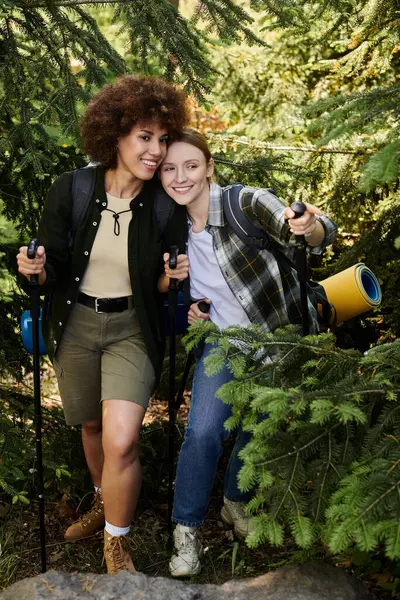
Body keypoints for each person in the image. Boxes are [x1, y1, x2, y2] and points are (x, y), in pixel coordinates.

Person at [16, 75, 189, 574]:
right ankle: (101, 499)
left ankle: (117, 541)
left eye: (162, 139)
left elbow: (161, 283)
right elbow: (50, 265)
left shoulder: (163, 203)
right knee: (91, 424)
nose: (155, 151)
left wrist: (168, 279)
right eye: (144, 137)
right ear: (114, 134)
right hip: (76, 324)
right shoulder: (72, 188)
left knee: (122, 438)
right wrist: (36, 268)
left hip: (132, 329)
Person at [157, 129, 337, 577]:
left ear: (209, 166)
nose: (180, 178)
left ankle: (235, 504)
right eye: (169, 168)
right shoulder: (168, 227)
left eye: (191, 166)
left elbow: (314, 232)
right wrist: (188, 310)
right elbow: (167, 298)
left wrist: (309, 225)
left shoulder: (245, 203)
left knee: (256, 427)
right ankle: (186, 529)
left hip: (275, 337)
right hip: (222, 341)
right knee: (203, 431)